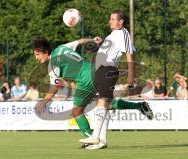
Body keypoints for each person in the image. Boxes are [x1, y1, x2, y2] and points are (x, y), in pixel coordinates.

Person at [33, 36, 152, 149]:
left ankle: (91, 138)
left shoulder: (52, 65)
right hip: (96, 71)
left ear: (44, 52)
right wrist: (93, 40)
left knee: (76, 111)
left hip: (85, 80)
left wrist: (43, 102)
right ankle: (139, 106)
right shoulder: (62, 47)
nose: (36, 58)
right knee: (106, 104)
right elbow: (80, 41)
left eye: (37, 54)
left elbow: (54, 87)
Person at [79, 11, 153, 150]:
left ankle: (96, 136)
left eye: (113, 19)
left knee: (103, 101)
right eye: (110, 19)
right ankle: (101, 141)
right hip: (101, 71)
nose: (110, 21)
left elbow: (130, 53)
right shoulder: (113, 35)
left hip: (107, 71)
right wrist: (102, 43)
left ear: (121, 22)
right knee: (106, 104)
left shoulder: (123, 33)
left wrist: (131, 74)